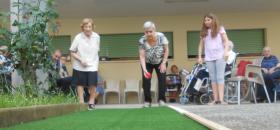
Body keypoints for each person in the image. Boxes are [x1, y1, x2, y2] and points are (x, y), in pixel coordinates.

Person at [197, 13, 229, 105]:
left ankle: (221, 99)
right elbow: (201, 45)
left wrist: (226, 52)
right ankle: (216, 100)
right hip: (209, 58)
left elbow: (226, 41)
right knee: (213, 78)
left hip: (220, 57)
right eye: (205, 20)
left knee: (220, 77)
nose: (206, 22)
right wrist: (199, 57)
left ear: (213, 20)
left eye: (208, 20)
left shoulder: (220, 29)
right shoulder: (204, 32)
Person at [69, 18, 100, 110]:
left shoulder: (97, 37)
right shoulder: (78, 37)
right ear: (82, 27)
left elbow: (97, 50)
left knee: (93, 84)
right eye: (86, 26)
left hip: (93, 64)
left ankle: (91, 102)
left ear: (92, 27)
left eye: (90, 26)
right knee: (80, 84)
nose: (88, 28)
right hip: (79, 64)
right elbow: (72, 51)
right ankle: (81, 102)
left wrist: (91, 60)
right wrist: (80, 59)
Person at [139, 21, 169, 107]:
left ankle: (161, 100)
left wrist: (163, 62)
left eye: (150, 31)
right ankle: (147, 101)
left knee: (162, 80)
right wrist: (144, 69)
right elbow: (142, 56)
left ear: (154, 30)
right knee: (146, 81)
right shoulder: (142, 40)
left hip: (160, 61)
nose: (148, 33)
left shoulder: (161, 37)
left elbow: (166, 50)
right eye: (146, 32)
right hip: (147, 62)